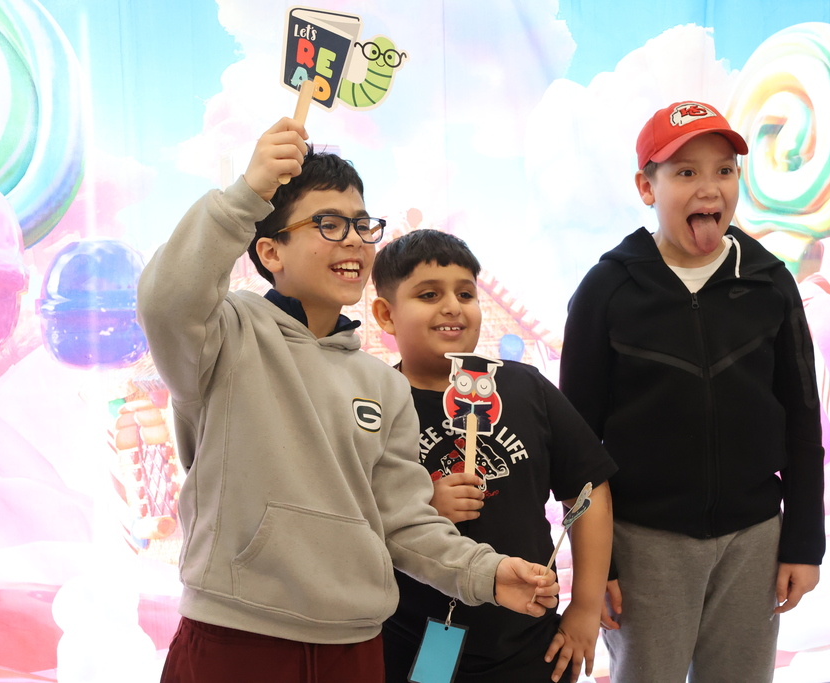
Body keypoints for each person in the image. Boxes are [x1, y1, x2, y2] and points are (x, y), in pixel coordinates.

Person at [137, 118, 559, 683]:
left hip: (355, 648)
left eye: (362, 224)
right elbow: (167, 299)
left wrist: (486, 572)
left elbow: (404, 522)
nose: (356, 239)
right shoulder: (224, 336)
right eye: (329, 224)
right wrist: (248, 192)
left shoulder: (383, 384)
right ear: (270, 250)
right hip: (236, 637)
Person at [559, 101, 825, 682]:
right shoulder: (607, 289)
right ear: (645, 187)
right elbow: (575, 446)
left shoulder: (770, 282)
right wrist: (593, 566)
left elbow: (804, 421)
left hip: (755, 540)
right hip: (644, 544)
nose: (710, 188)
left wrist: (804, 542)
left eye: (724, 170)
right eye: (685, 173)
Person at [370, 229, 617, 683]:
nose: (452, 306)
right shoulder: (373, 407)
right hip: (407, 644)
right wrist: (421, 504)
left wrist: (584, 606)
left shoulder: (526, 388)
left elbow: (588, 490)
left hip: (527, 647)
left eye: (466, 293)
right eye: (428, 294)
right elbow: (351, 517)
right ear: (386, 314)